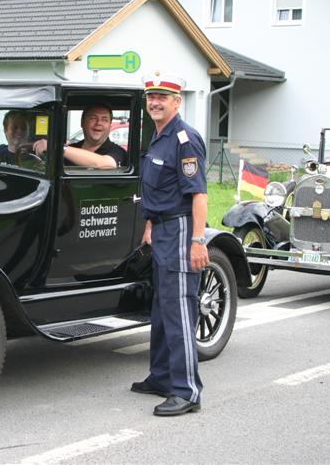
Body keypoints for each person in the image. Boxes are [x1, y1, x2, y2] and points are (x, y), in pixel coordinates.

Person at [130, 70, 209, 417]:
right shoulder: (159, 136)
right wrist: (149, 224)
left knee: (179, 310)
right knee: (162, 309)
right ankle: (162, 377)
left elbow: (199, 194)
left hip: (180, 231)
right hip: (161, 228)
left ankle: (187, 391)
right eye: (151, 97)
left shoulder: (184, 139)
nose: (155, 102)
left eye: (163, 97)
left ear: (178, 102)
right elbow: (159, 188)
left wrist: (197, 240)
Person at [32, 103, 126, 168]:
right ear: (82, 122)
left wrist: (57, 147)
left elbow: (106, 164)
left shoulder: (118, 152)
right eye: (93, 118)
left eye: (105, 119)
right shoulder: (71, 149)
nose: (99, 123)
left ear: (110, 126)